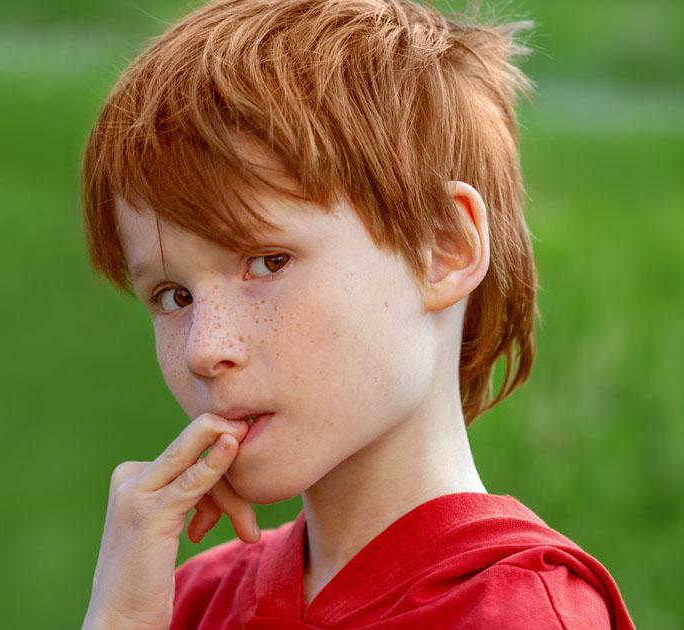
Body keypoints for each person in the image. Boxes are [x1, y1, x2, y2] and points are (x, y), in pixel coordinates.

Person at [77, 0, 637, 628]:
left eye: (266, 262)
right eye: (173, 297)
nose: (204, 350)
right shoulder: (185, 598)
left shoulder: (512, 613)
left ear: (442, 248)